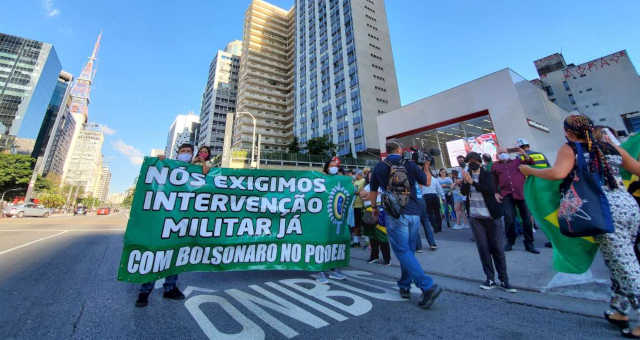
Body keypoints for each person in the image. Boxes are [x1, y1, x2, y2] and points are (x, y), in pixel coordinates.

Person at [519, 115, 640, 338]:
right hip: (628, 205)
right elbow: (638, 169)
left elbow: (558, 173)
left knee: (625, 265)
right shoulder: (610, 147)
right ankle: (619, 310)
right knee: (618, 260)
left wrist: (530, 171)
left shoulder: (570, 148)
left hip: (603, 211)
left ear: (568, 132)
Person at [369, 140, 443, 309]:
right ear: (399, 150)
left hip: (394, 213)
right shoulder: (409, 163)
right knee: (408, 252)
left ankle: (427, 286)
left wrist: (374, 208)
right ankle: (404, 285)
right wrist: (426, 165)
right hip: (414, 212)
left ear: (386, 151)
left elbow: (373, 191)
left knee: (402, 251)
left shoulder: (379, 167)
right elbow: (427, 182)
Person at [136, 143, 195, 307]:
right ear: (177, 154)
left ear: (192, 154)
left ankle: (170, 288)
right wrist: (159, 162)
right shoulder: (168, 167)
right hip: (163, 218)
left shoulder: (195, 170)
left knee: (175, 256)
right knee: (157, 254)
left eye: (188, 152)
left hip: (182, 220)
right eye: (182, 151)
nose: (185, 154)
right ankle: (144, 291)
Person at [461, 152, 517, 292]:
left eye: (474, 161)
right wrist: (466, 183)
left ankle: (504, 279)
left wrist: (472, 182)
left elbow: (490, 190)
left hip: (491, 216)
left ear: (479, 162)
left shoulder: (488, 174)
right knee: (483, 249)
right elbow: (463, 192)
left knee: (497, 248)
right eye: (469, 161)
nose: (472, 163)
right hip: (475, 217)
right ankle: (490, 278)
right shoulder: (467, 175)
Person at [492, 146, 540, 254]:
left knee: (527, 219)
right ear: (497, 155)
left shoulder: (517, 161)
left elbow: (531, 162)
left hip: (521, 193)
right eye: (500, 153)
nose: (502, 154)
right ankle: (510, 241)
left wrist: (522, 152)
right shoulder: (495, 166)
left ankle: (529, 243)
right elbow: (494, 181)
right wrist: (495, 193)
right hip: (506, 195)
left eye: (503, 152)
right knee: (509, 218)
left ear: (508, 153)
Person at [315, 157, 348, 284]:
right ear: (327, 167)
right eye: (332, 164)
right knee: (323, 244)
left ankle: (335, 269)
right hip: (322, 218)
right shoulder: (320, 179)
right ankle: (321, 270)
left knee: (336, 243)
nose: (334, 167)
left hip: (337, 218)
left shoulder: (343, 180)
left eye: (336, 165)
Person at [360, 172, 392, 265]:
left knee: (382, 235)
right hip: (368, 212)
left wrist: (367, 195)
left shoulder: (381, 185)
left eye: (373, 176)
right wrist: (369, 195)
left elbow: (368, 196)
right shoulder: (367, 186)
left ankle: (387, 259)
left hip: (379, 211)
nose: (371, 177)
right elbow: (362, 196)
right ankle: (374, 256)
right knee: (372, 236)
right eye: (369, 176)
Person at [415, 161, 438, 252]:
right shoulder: (420, 176)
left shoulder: (409, 175)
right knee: (426, 222)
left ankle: (418, 246)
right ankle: (432, 243)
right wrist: (426, 167)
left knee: (416, 224)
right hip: (421, 200)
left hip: (414, 201)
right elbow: (426, 183)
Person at [421, 163, 445, 234]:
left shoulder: (421, 179)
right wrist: (443, 196)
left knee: (430, 213)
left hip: (426, 197)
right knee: (437, 212)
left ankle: (435, 227)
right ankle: (439, 227)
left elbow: (420, 189)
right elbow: (439, 188)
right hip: (434, 196)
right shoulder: (434, 179)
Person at [352, 169, 366, 247]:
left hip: (360, 205)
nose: (354, 175)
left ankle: (366, 241)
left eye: (355, 174)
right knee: (355, 223)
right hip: (354, 205)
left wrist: (356, 192)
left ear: (359, 174)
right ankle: (356, 241)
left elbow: (364, 192)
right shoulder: (355, 182)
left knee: (360, 223)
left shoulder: (363, 181)